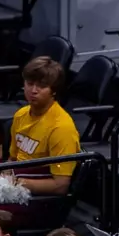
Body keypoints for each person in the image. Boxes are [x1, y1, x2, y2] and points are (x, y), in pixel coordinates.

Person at [8, 56, 80, 195]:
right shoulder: (20, 115)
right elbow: (12, 159)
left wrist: (17, 183)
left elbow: (60, 186)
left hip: (36, 197)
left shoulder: (61, 128)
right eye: (29, 83)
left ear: (54, 90)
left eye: (41, 86)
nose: (33, 90)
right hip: (15, 184)